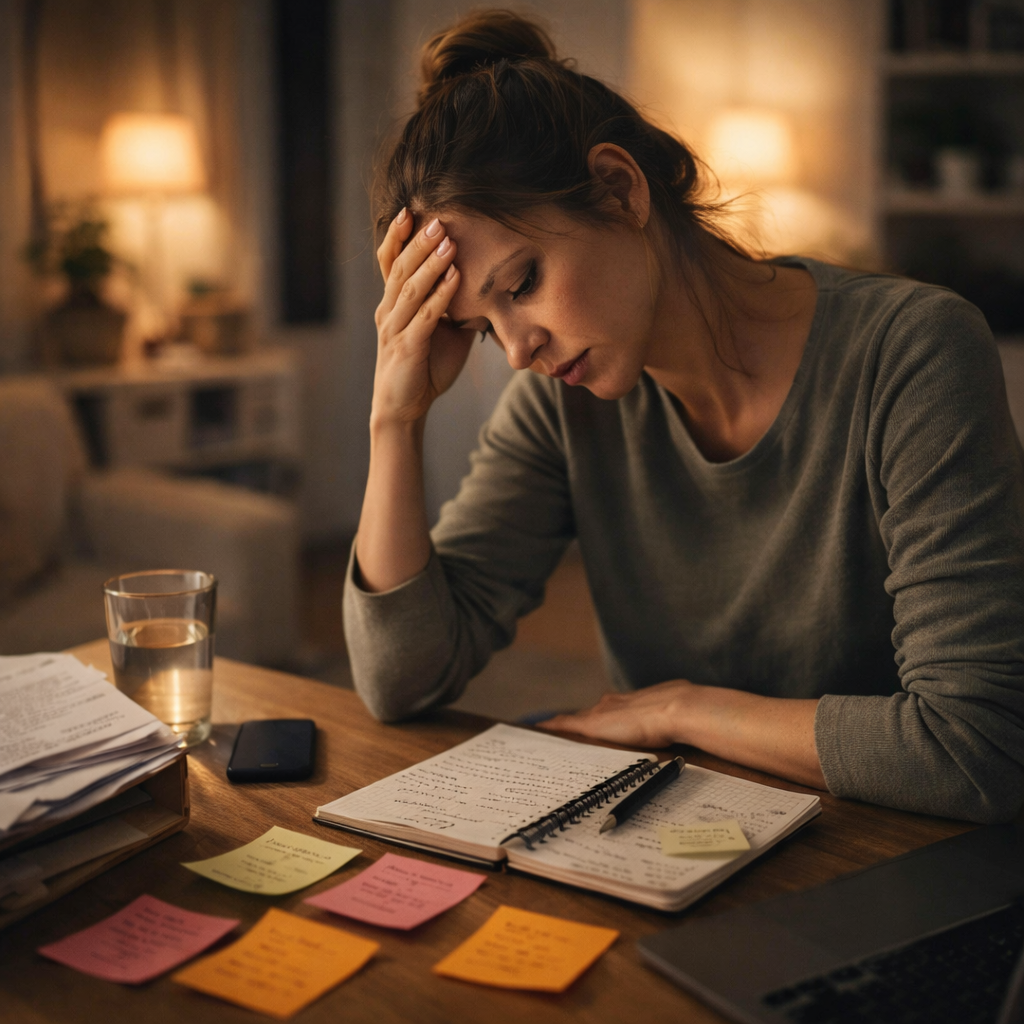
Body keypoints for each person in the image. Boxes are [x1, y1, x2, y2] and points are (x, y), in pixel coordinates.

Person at [344, 10, 1024, 824]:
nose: (518, 351)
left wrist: (682, 712)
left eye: (521, 284)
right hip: (673, 848)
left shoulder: (910, 351)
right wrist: (396, 416)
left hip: (888, 850)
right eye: (479, 328)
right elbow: (401, 680)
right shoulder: (560, 401)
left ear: (620, 189)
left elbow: (977, 748)